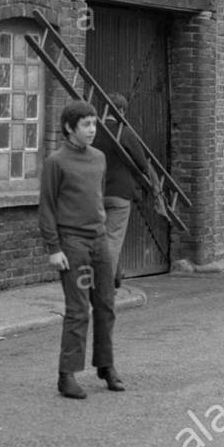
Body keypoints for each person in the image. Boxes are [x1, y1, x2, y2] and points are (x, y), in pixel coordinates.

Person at [39, 99, 123, 399]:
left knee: (106, 304)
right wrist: (54, 248)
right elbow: (47, 208)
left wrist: (113, 255)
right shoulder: (56, 162)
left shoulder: (99, 158)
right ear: (69, 128)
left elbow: (97, 200)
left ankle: (106, 365)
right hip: (72, 244)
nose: (92, 129)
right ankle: (67, 375)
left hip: (99, 241)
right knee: (78, 310)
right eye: (85, 124)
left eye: (93, 123)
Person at [94, 93, 153, 288]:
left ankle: (115, 276)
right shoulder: (124, 132)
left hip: (96, 193)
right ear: (120, 111)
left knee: (101, 237)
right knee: (113, 239)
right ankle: (105, 283)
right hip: (120, 194)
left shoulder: (94, 131)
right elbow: (142, 163)